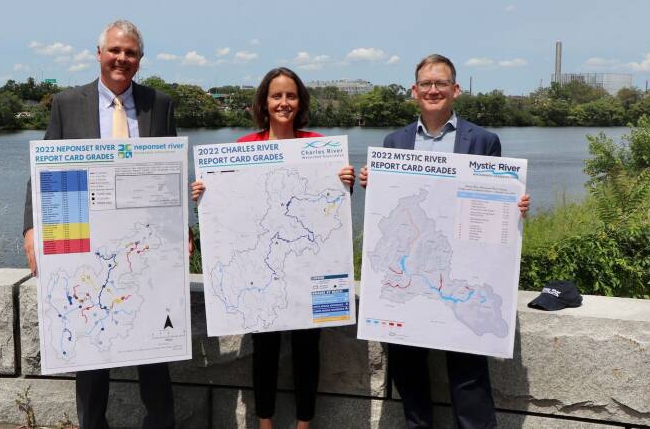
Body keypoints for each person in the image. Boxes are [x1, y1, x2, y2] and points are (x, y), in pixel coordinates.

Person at [359, 53, 530, 429]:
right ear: (414, 91)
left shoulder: (483, 140)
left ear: (456, 90)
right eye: (426, 84)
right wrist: (375, 185)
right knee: (407, 369)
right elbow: (393, 208)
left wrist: (514, 206)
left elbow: (493, 204)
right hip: (411, 275)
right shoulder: (394, 141)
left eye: (440, 83)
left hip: (460, 274)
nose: (433, 90)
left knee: (469, 374)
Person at [22, 19, 177, 429]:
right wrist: (31, 229)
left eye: (131, 53)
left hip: (146, 246)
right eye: (115, 50)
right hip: (87, 244)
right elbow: (43, 172)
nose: (122, 59)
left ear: (140, 59)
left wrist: (185, 230)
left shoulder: (159, 104)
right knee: (91, 352)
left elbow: (172, 176)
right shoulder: (67, 103)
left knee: (155, 349)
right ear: (99, 54)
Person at [191, 67, 355, 429]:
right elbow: (229, 211)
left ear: (300, 102)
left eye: (291, 96)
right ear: (264, 103)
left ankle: (304, 424)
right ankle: (264, 423)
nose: (284, 102)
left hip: (307, 266)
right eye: (276, 96)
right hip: (263, 271)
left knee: (307, 351)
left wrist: (346, 183)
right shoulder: (243, 147)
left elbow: (333, 212)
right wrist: (204, 195)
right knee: (264, 351)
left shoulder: (319, 146)